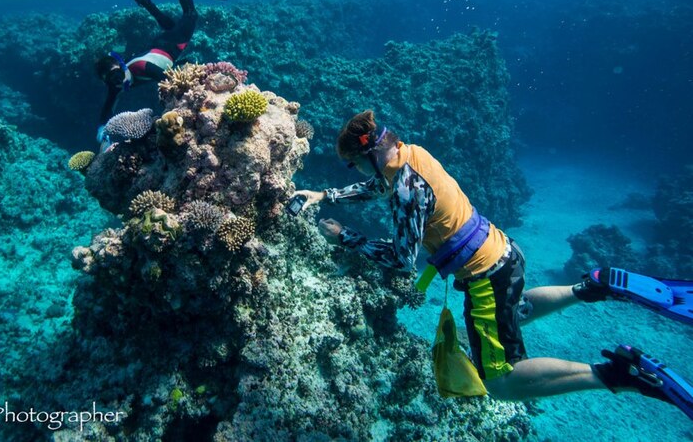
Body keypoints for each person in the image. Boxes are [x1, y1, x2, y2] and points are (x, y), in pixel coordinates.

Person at [295, 109, 693, 415]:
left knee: (499, 381)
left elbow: (401, 261)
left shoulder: (405, 190)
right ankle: (594, 285)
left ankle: (614, 374)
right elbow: (376, 186)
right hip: (504, 251)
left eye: (355, 163)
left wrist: (344, 237)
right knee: (513, 312)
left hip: (484, 277)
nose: (359, 171)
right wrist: (325, 195)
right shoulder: (410, 153)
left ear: (369, 152)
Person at [95, 0, 239, 148]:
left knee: (191, 15)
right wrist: (101, 129)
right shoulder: (116, 84)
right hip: (158, 45)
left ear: (121, 65)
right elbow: (108, 107)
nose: (115, 81)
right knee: (169, 24)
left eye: (115, 75)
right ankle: (146, 2)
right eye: (109, 80)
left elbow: (169, 80)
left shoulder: (140, 67)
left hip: (172, 45)